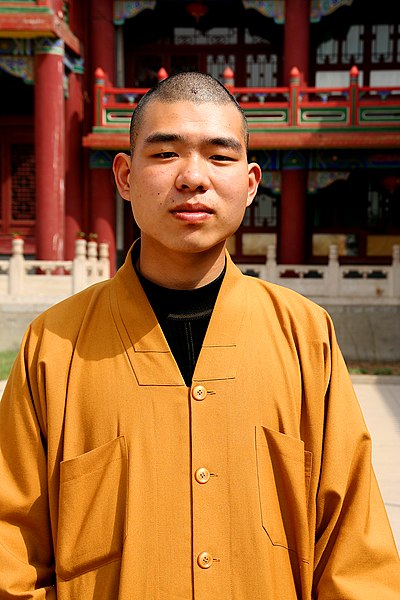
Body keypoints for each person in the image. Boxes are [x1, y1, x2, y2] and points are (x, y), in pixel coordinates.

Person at [0, 72, 399, 600]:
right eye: (165, 154)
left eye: (219, 155)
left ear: (251, 183)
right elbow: (12, 557)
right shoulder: (53, 347)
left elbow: (355, 551)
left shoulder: (305, 336)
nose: (193, 177)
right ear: (124, 176)